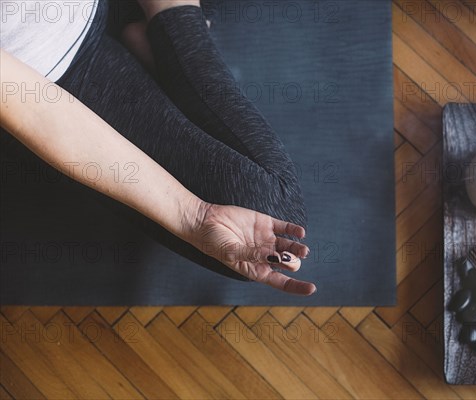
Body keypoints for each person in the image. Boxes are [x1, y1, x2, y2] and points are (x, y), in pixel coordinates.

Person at [0, 0, 316, 295]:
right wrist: (195, 216)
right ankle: (167, 22)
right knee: (266, 224)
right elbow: (36, 108)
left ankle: (161, 27)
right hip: (54, 69)